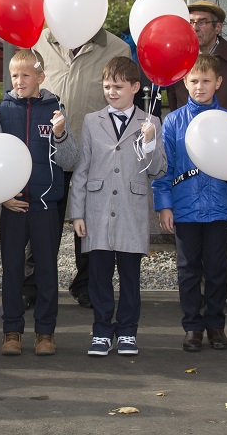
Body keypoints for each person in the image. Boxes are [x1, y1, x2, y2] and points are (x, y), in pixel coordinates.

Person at [167, 1, 227, 312]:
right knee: (195, 235)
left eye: (203, 22)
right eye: (191, 21)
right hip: (190, 162)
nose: (196, 27)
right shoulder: (179, 64)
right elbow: (173, 107)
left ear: (218, 26)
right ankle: (199, 296)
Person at [153, 54, 227, 352]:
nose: (200, 86)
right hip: (184, 210)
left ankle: (216, 325)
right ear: (184, 82)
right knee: (188, 269)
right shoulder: (172, 122)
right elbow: (163, 168)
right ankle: (193, 326)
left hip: (219, 209)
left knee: (218, 268)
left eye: (206, 81)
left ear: (218, 83)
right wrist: (164, 204)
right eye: (194, 81)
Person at [0, 49, 79, 356]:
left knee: (46, 270)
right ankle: (11, 331)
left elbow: (70, 160)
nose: (19, 80)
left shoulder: (54, 109)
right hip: (13, 206)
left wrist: (61, 134)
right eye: (14, 75)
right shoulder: (3, 109)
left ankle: (45, 333)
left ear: (40, 77)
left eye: (26, 75)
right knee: (12, 269)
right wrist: (3, 196)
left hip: (44, 206)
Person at [71, 57, 166, 356]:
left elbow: (159, 170)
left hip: (130, 207)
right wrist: (77, 213)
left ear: (136, 87)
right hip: (97, 209)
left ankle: (127, 330)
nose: (112, 92)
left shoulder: (150, 123)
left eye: (119, 87)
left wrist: (149, 143)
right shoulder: (91, 121)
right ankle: (101, 330)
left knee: (129, 276)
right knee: (98, 275)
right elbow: (82, 169)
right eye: (107, 86)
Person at [32, 27, 133, 309]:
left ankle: (87, 285)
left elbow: (121, 101)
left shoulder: (116, 48)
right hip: (46, 152)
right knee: (40, 224)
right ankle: (34, 284)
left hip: (94, 153)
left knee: (89, 225)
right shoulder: (37, 41)